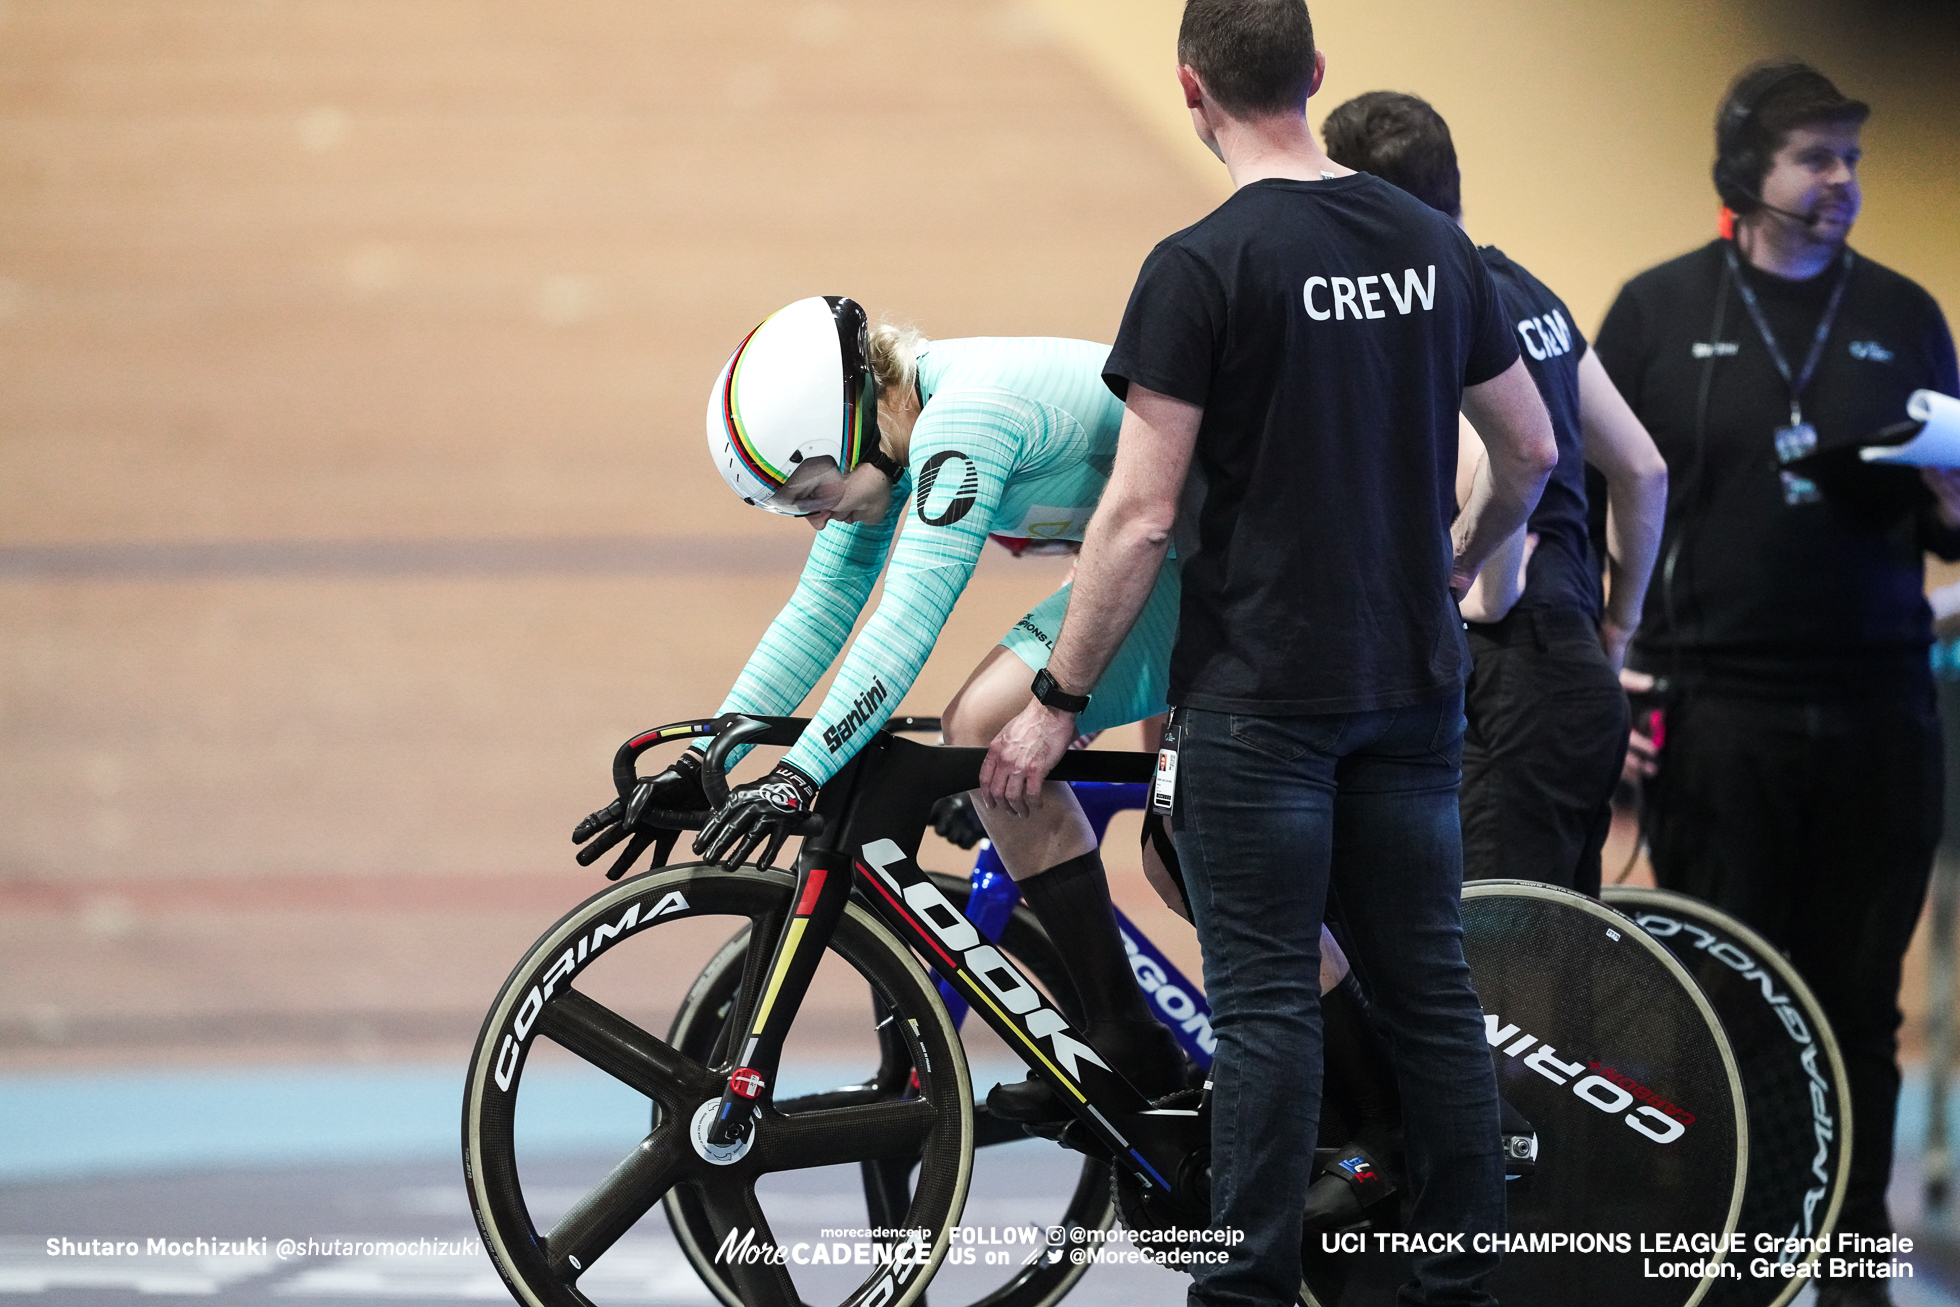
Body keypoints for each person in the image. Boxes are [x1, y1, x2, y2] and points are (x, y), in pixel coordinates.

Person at [980, 3, 1559, 1304]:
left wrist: (1058, 697)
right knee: (1426, 992)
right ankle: (1458, 1282)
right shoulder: (1432, 244)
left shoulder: (1202, 265)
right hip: (1411, 687)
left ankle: (1245, 1290)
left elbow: (1136, 515)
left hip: (1262, 705)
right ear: (1315, 75)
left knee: (1267, 1008)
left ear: (1191, 90)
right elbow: (1531, 451)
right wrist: (1456, 566)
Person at [585, 294, 1196, 1109]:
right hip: (1168, 553)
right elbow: (823, 605)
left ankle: (1129, 1037)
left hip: (1209, 560)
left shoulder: (964, 421)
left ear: (848, 426)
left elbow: (904, 624)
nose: (813, 518)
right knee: (1174, 857)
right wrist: (711, 757)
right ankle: (1144, 1035)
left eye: (809, 492)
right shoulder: (887, 438)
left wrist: (798, 773)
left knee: (986, 727)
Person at [1593, 62, 1960, 1307]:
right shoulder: (1652, 313)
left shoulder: (1906, 314)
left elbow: (1952, 532)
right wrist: (1614, 662)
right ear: (1744, 167)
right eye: (1817, 157)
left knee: (1860, 1006)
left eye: (1852, 157)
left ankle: (1848, 1262)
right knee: (1731, 999)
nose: (1843, 182)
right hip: (1711, 709)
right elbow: (1584, 502)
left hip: (1876, 708)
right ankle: (1738, 1247)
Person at [1321, 91, 1669, 897]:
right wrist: (1616, 628)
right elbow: (1643, 469)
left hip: (1509, 685)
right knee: (1556, 986)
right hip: (1577, 678)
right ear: (1458, 181)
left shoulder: (1432, 301)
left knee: (1499, 987)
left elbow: (1515, 454)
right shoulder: (1522, 286)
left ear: (1354, 197)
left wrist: (1491, 589)